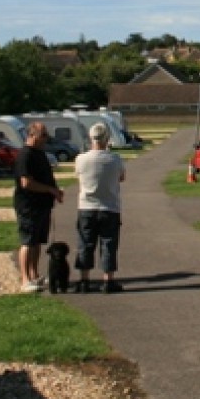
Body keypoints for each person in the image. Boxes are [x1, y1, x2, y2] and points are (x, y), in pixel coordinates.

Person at [73, 122, 126, 294]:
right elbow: (122, 177)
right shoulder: (115, 159)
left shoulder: (81, 159)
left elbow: (78, 177)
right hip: (109, 207)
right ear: (107, 139)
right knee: (108, 244)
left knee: (85, 244)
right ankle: (108, 280)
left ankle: (84, 280)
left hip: (87, 206)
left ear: (90, 138)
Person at [14, 122, 63, 293]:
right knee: (27, 241)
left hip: (43, 204)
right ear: (32, 135)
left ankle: (35, 275)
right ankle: (25, 279)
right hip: (28, 205)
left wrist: (55, 191)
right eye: (43, 135)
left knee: (38, 242)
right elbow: (26, 183)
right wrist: (49, 189)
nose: (45, 139)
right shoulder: (24, 155)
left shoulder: (40, 154)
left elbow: (47, 176)